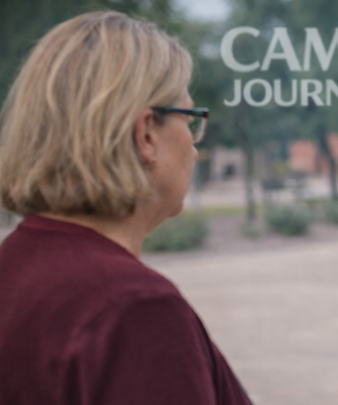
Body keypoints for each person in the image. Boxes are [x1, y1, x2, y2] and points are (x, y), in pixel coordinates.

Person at [0, 11, 252, 405]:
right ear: (146, 134)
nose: (194, 143)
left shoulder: (15, 267)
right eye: (190, 119)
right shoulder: (133, 313)